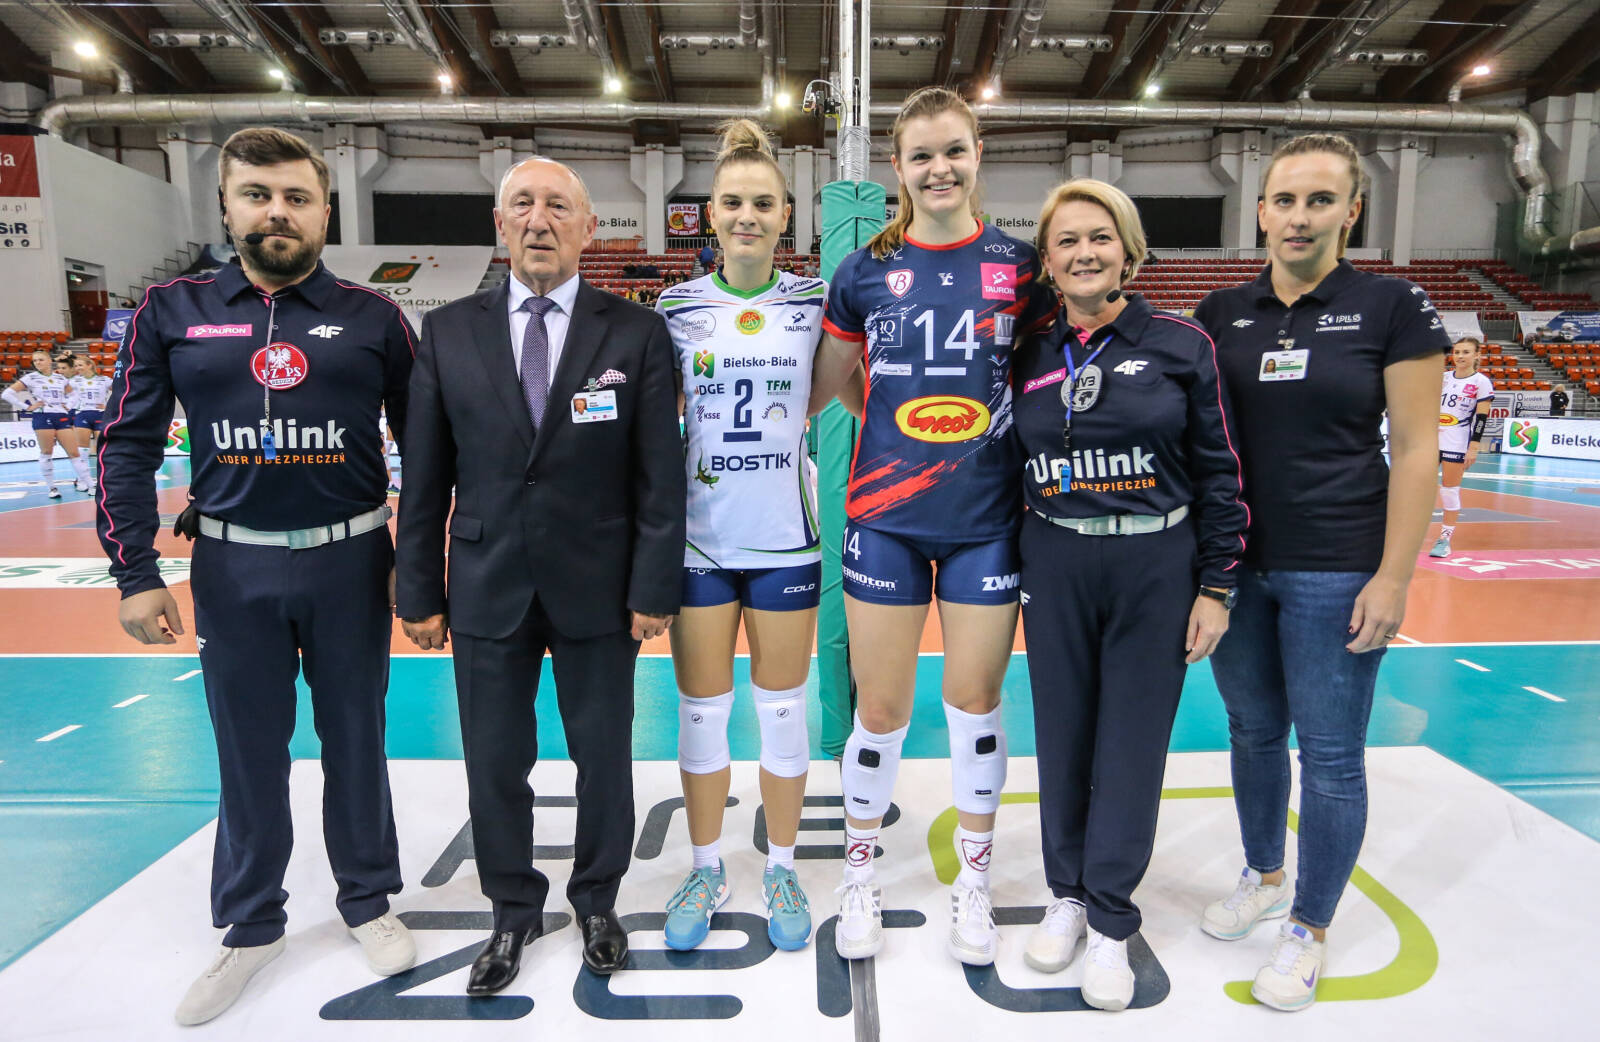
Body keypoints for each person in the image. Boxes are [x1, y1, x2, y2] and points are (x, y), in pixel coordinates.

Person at [95, 127, 419, 1026]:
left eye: (296, 197)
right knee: (247, 751)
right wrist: (134, 572)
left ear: (325, 211)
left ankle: (367, 898)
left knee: (357, 739)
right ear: (228, 205)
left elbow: (428, 448)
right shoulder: (171, 309)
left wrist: (421, 563)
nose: (277, 212)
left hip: (352, 561)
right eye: (257, 195)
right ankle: (250, 923)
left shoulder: (374, 317)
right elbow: (125, 444)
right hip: (232, 566)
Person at [394, 156, 686, 994]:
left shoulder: (635, 332)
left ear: (589, 228)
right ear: (500, 223)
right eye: (522, 203)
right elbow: (425, 476)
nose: (539, 219)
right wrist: (418, 591)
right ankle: (511, 910)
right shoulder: (449, 332)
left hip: (600, 586)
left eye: (558, 205)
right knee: (494, 761)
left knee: (605, 758)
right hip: (486, 583)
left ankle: (597, 900)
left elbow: (658, 477)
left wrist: (653, 588)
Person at [1192, 133, 1448, 1012]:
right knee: (1252, 732)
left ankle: (1309, 925)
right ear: (1260, 211)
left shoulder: (1392, 305)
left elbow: (1416, 449)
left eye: (1320, 200)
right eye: (1285, 200)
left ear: (1352, 211)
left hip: (1338, 567)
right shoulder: (1222, 311)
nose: (1299, 217)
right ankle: (1265, 875)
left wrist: (1394, 577)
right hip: (1237, 567)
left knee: (1331, 756)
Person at [807, 87, 1056, 966]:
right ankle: (860, 874)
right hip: (885, 518)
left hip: (988, 520)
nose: (938, 169)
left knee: (976, 703)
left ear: (978, 154)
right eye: (921, 155)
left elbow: (1038, 380)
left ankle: (974, 883)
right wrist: (889, 426)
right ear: (897, 167)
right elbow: (833, 379)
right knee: (880, 710)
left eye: (953, 150)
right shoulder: (864, 270)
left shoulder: (1021, 269)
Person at [1013, 179, 1247, 1011]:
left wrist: (1216, 584)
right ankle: (1066, 895)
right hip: (1056, 558)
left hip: (1156, 563)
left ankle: (1111, 917)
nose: (1085, 253)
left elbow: (1221, 471)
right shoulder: (1028, 352)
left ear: (1129, 250)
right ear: (1047, 261)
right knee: (1063, 737)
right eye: (1067, 241)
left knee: (1132, 745)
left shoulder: (1182, 344)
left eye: (1100, 237)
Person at [654, 119, 826, 953]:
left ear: (786, 214)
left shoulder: (814, 303)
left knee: (784, 716)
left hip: (787, 539)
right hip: (702, 542)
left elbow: (844, 393)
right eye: (733, 203)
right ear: (711, 215)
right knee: (701, 718)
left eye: (763, 203)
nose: (747, 215)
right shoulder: (676, 307)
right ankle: (705, 866)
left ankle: (783, 867)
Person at [1429, 337, 1494, 558]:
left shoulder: (1481, 382)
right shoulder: (1444, 377)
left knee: (1449, 490)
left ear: (1477, 355)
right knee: (1417, 486)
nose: (1460, 356)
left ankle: (1444, 540)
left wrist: (1473, 447)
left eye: (1466, 352)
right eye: (1457, 352)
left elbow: (1482, 417)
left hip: (1456, 439)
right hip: (1431, 437)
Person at [2, 348, 86, 498]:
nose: (37, 362)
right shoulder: (31, 377)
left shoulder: (60, 378)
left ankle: (85, 482)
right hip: (42, 416)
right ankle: (52, 488)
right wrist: (26, 407)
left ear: (49, 361)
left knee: (74, 452)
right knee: (47, 452)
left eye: (41, 359)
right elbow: (7, 394)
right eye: (35, 360)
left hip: (61, 416)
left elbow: (74, 394)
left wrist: (68, 406)